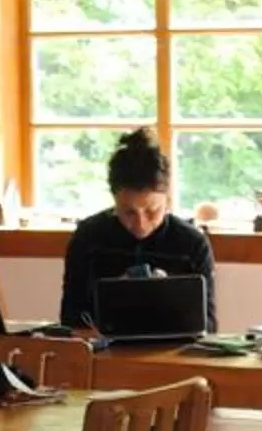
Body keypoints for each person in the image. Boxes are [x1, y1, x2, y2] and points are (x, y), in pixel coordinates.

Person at [60, 128, 217, 332]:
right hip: (104, 355)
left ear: (168, 200)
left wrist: (170, 297)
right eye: (129, 212)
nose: (141, 224)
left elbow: (209, 327)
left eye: (152, 211)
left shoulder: (192, 243)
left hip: (171, 355)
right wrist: (114, 298)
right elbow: (70, 318)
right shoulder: (89, 237)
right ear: (114, 199)